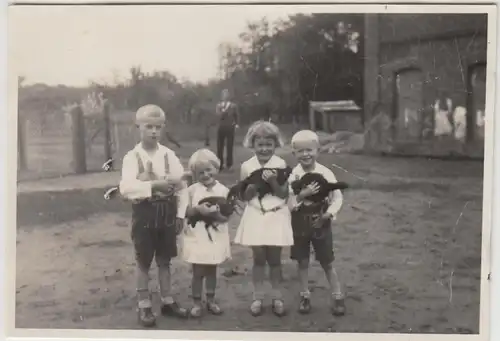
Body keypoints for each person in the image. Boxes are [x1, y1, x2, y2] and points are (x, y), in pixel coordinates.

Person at [119, 104, 189, 327]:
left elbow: (182, 185)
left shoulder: (169, 155)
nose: (153, 131)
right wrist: (153, 185)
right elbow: (126, 188)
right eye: (148, 126)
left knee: (165, 260)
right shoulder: (132, 157)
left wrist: (180, 215)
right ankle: (144, 304)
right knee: (143, 260)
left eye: (158, 127)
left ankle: (167, 300)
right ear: (138, 127)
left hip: (167, 214)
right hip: (145, 215)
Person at [233, 120, 294, 317]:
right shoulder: (246, 166)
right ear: (253, 145)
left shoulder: (281, 164)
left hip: (276, 213)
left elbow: (284, 194)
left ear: (276, 145)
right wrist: (250, 190)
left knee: (275, 259)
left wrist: (272, 181)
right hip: (256, 214)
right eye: (260, 144)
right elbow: (243, 195)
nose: (265, 148)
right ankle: (257, 297)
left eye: (269, 144)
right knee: (259, 259)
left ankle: (277, 297)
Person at [287, 130, 346, 316]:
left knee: (327, 261)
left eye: (309, 150)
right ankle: (305, 296)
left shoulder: (325, 173)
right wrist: (301, 196)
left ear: (318, 150)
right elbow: (288, 203)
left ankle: (337, 296)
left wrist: (329, 214)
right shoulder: (292, 176)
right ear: (294, 153)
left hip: (321, 221)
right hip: (299, 223)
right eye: (300, 151)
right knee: (302, 262)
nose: (305, 154)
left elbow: (337, 197)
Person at [179, 148, 232, 318]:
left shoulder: (223, 190)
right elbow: (185, 212)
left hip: (215, 236)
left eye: (209, 170)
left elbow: (226, 216)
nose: (205, 175)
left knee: (211, 269)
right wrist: (198, 210)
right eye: (200, 172)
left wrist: (217, 214)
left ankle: (211, 300)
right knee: (198, 271)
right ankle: (196, 302)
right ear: (194, 174)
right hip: (197, 236)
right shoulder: (192, 190)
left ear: (216, 169)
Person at [215, 89, 240, 171]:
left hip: (230, 127)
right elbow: (218, 115)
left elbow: (236, 116)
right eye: (223, 94)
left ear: (229, 96)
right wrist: (223, 111)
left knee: (229, 146)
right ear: (221, 96)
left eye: (226, 94)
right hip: (221, 127)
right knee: (219, 147)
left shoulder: (233, 105)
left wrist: (236, 124)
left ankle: (229, 165)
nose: (225, 96)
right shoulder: (219, 106)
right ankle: (220, 164)